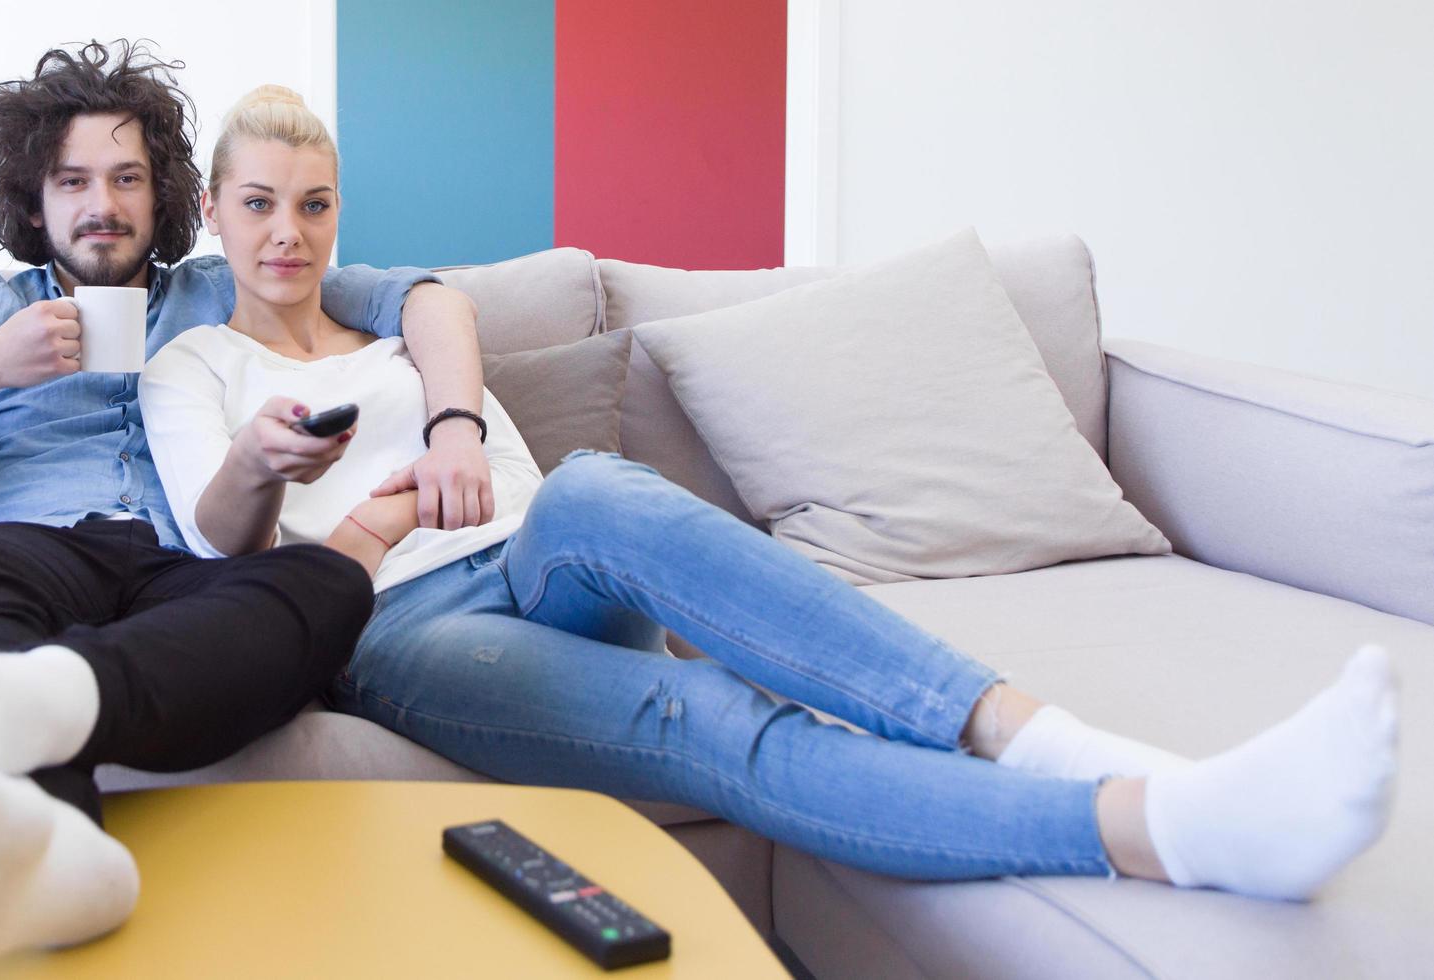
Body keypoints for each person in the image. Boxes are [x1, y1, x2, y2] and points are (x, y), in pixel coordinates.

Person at [140, 80, 1401, 915]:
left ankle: (1037, 728)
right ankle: (1158, 824)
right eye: (257, 206)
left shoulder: (393, 322)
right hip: (406, 627)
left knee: (598, 489)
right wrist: (263, 461)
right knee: (709, 713)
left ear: (336, 210)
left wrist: (460, 422)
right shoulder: (196, 360)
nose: (286, 234)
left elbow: (441, 309)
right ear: (216, 210)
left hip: (539, 554)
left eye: (311, 204)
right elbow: (210, 536)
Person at [0, 43, 493, 959]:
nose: (102, 206)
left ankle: (51, 715)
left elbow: (425, 301)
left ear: (168, 197)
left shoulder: (236, 282)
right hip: (29, 550)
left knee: (323, 587)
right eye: (72, 181)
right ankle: (58, 857)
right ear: (35, 200)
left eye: (126, 179)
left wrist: (457, 427)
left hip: (191, 571)